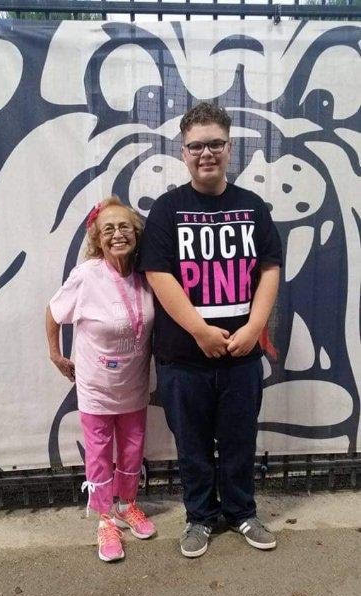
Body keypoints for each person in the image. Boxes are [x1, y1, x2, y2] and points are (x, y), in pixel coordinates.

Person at [138, 102, 282, 558]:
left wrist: (255, 325)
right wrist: (200, 330)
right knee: (193, 446)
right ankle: (199, 518)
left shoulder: (252, 206)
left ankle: (241, 512)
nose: (206, 153)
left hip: (242, 357)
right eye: (196, 145)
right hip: (183, 358)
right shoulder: (167, 210)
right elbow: (158, 275)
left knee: (240, 441)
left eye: (215, 144)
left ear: (229, 147)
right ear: (183, 152)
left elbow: (270, 270)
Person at [46, 196, 156, 562]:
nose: (118, 234)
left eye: (125, 226)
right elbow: (52, 311)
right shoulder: (87, 275)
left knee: (131, 450)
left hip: (134, 386)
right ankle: (105, 519)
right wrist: (55, 354)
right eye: (108, 229)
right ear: (98, 237)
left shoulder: (146, 275)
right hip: (96, 388)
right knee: (98, 455)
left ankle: (128, 504)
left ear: (136, 233)